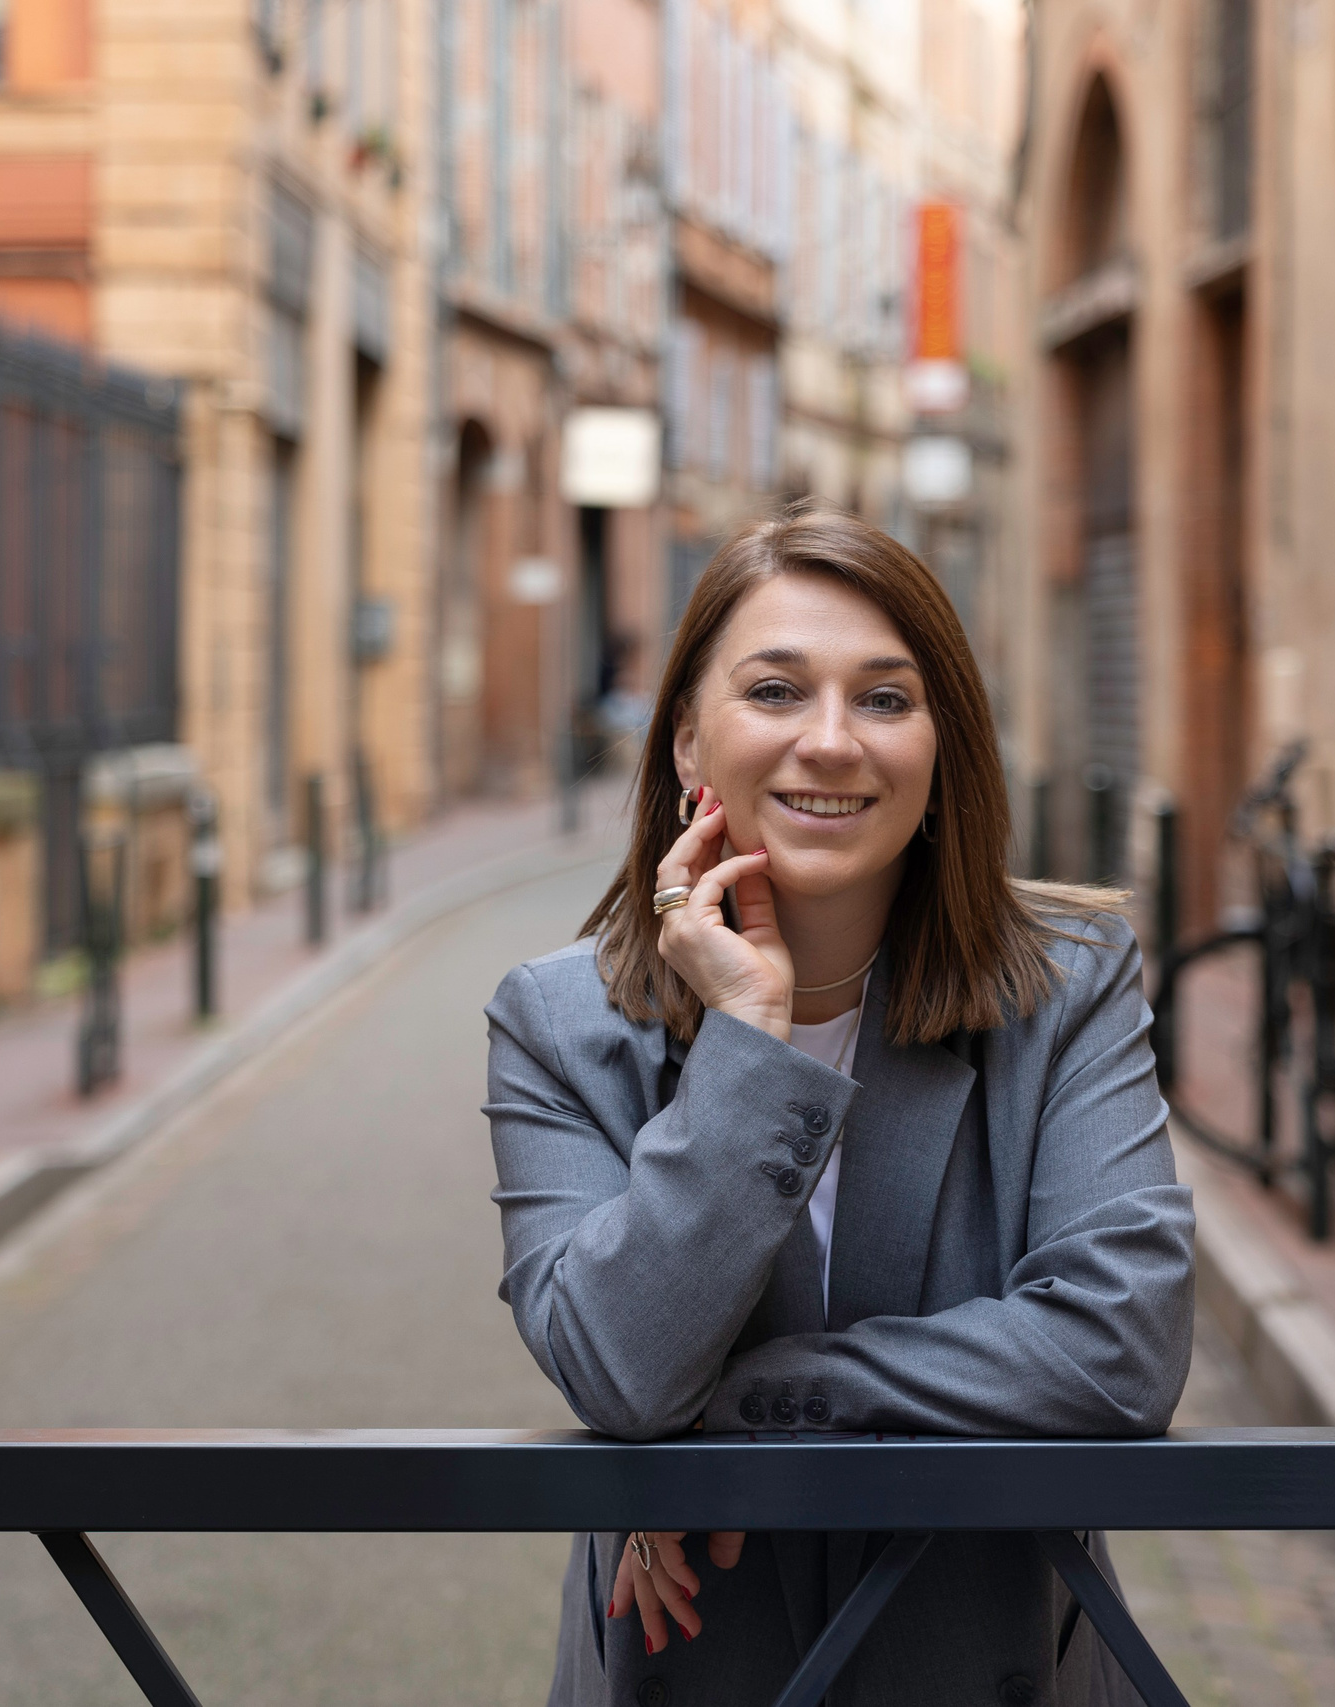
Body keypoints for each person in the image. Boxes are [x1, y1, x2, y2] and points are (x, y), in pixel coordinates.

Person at [484, 503, 1194, 1707]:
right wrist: (751, 1045)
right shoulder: (557, 1025)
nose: (831, 741)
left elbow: (1121, 1345)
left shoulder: (1066, 985)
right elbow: (615, 1365)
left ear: (939, 747)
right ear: (685, 748)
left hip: (986, 1659)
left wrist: (745, 1401)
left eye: (883, 697)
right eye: (773, 692)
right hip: (686, 1667)